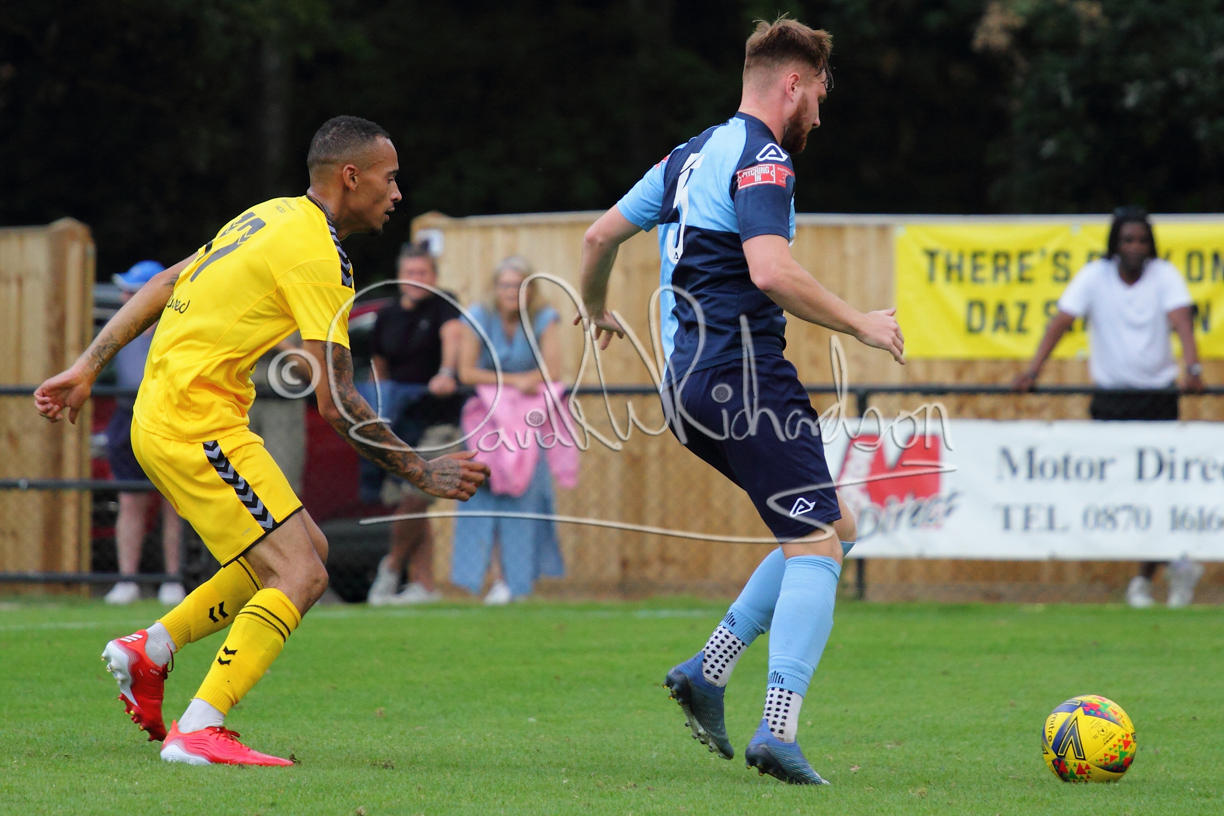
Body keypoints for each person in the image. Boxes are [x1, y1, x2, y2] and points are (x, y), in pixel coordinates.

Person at [34, 115, 488, 766]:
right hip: (194, 422)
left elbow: (165, 283)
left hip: (184, 415)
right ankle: (200, 727)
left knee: (307, 551)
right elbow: (338, 402)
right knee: (299, 572)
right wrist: (423, 471)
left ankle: (151, 648)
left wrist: (87, 367)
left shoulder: (267, 215)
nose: (396, 193)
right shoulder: (320, 255)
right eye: (389, 179)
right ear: (350, 176)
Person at [576, 18, 904, 785]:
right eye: (818, 94)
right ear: (793, 83)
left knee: (833, 526)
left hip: (686, 387)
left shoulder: (688, 156)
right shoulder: (764, 159)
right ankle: (777, 731)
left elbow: (596, 239)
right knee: (818, 545)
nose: (819, 112)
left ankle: (708, 670)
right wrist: (860, 322)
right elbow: (770, 270)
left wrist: (593, 310)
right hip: (744, 378)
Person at [1014, 207, 1206, 608]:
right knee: (1116, 488)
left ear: (1151, 245)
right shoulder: (1094, 276)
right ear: (1115, 244)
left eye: (1142, 240)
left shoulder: (1165, 275)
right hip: (1112, 399)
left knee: (1157, 490)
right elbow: (1061, 322)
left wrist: (1192, 366)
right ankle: (1177, 561)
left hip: (1156, 398)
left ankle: (1144, 580)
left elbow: (1181, 321)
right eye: (1128, 240)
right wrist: (1032, 371)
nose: (1135, 247)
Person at [452, 256, 566, 604]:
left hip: (528, 423)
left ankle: (520, 583)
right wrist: (515, 382)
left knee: (527, 495)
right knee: (483, 493)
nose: (511, 292)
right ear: (495, 288)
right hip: (485, 421)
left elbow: (553, 370)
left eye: (519, 285)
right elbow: (466, 372)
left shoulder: (544, 318)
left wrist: (526, 383)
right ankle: (493, 578)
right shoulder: (478, 316)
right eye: (505, 285)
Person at [361, 242, 465, 605]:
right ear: (399, 276)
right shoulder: (387, 316)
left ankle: (390, 568)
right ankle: (423, 584)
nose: (416, 279)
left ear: (434, 277)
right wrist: (376, 407)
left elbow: (452, 337)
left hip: (437, 418)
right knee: (411, 503)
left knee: (416, 495)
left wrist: (446, 373)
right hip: (400, 421)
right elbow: (379, 366)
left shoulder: (445, 306)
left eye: (423, 273)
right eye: (410, 273)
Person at [103, 260, 185, 607]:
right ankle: (128, 581)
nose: (124, 298)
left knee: (174, 504)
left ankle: (172, 580)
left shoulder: (178, 328)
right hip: (126, 419)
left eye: (132, 292)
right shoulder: (121, 327)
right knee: (130, 501)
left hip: (169, 421)